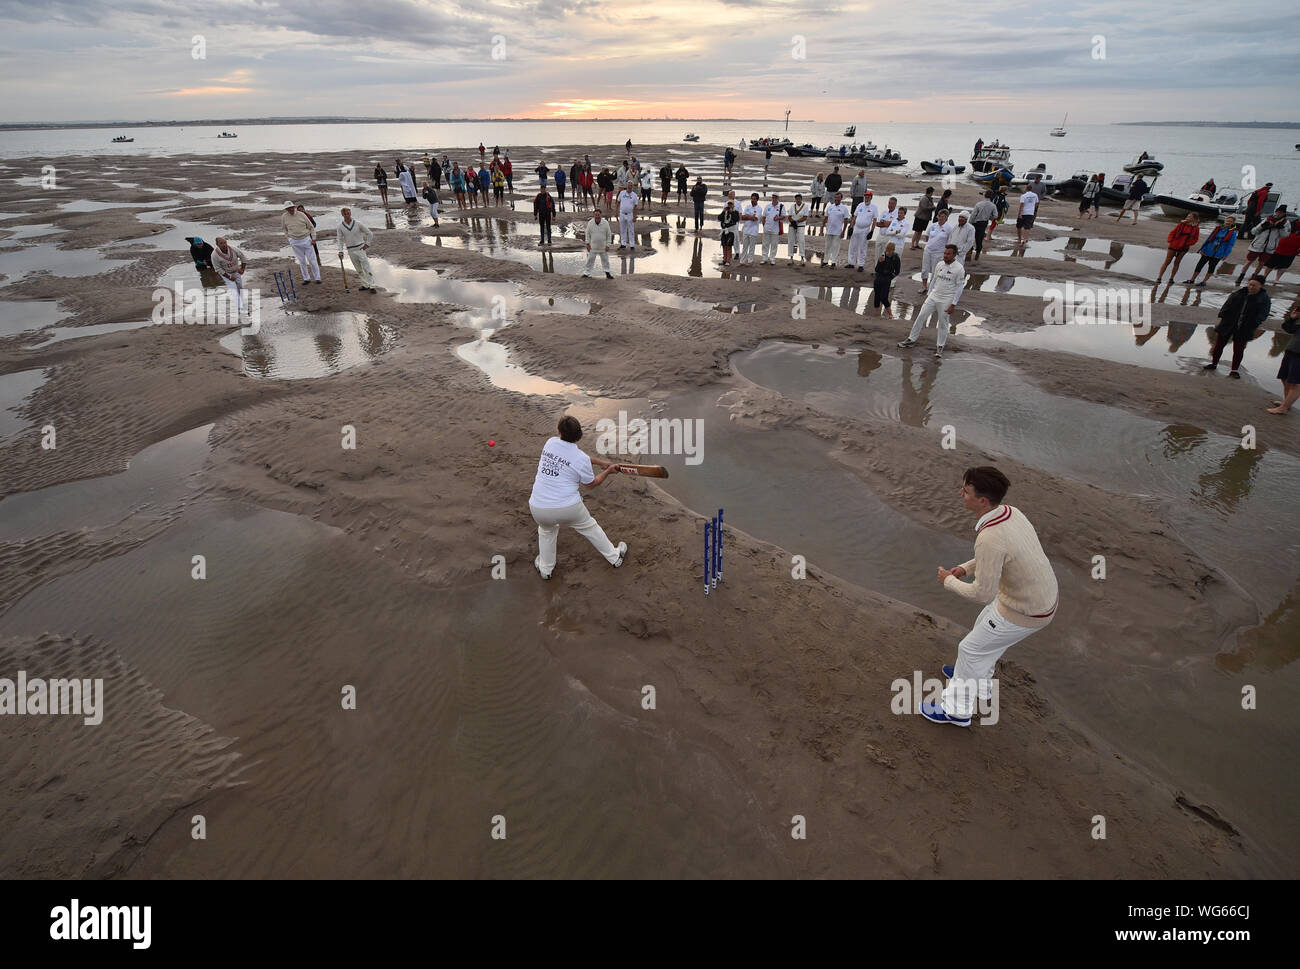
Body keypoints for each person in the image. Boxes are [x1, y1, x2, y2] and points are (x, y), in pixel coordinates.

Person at [922, 467, 1059, 726]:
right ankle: (979, 684)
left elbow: (982, 593)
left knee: (970, 648)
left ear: (983, 501)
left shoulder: (989, 537)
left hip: (1026, 611)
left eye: (965, 491)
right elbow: (1001, 555)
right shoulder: (1012, 514)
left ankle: (956, 711)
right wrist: (966, 567)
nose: (960, 493)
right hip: (1038, 597)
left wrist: (949, 581)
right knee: (984, 632)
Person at [529, 415, 627, 579]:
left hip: (538, 506)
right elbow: (591, 484)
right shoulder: (580, 459)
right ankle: (615, 557)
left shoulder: (550, 443)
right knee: (590, 527)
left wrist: (599, 462)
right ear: (579, 435)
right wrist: (608, 471)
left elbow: (573, 459)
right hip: (568, 507)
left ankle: (546, 570)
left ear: (559, 432)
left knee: (546, 531)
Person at [900, 243, 965, 357]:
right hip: (934, 296)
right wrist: (929, 294)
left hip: (947, 299)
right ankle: (911, 339)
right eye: (945, 253)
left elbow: (959, 287)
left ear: (954, 255)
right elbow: (934, 279)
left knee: (943, 323)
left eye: (948, 254)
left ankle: (940, 346)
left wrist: (953, 304)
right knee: (921, 317)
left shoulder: (959, 269)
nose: (945, 255)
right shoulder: (939, 264)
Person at [1204, 276, 1270, 378]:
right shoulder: (1239, 293)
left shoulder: (1264, 298)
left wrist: (1255, 322)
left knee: (1239, 349)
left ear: (1261, 286)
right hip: (1229, 323)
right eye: (1250, 284)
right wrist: (1223, 314)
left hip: (1246, 326)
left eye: (1254, 285)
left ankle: (1234, 370)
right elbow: (1227, 304)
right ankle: (1214, 363)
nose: (1251, 287)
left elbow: (1264, 313)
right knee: (1219, 345)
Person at [1182, 217, 1237, 286]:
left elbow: (1230, 245)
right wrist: (1202, 248)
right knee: (1199, 265)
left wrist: (1225, 254)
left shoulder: (1233, 233)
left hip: (1218, 253)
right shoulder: (1218, 228)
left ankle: (1204, 282)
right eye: (1227, 221)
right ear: (1225, 221)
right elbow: (1209, 238)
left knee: (1212, 267)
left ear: (1233, 223)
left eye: (1230, 221)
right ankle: (1192, 279)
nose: (1228, 222)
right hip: (1208, 250)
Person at [1267, 305, 1300, 414]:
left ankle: (1284, 408)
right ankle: (1287, 403)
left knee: (1295, 383)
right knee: (1284, 377)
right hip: (1291, 351)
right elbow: (1287, 328)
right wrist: (1293, 318)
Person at [1236, 213, 1286, 284]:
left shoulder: (1285, 223)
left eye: (1280, 213)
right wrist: (1262, 226)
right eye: (1277, 212)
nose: (1278, 215)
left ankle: (1254, 277)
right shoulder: (1266, 220)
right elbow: (1253, 231)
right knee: (1249, 261)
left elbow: (1284, 235)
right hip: (1257, 245)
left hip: (1269, 247)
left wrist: (1280, 228)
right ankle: (1241, 276)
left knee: (1261, 263)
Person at [336, 207, 377, 292]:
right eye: (346, 214)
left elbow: (369, 233)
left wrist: (367, 244)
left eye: (349, 213)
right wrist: (340, 251)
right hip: (350, 250)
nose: (348, 215)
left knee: (366, 268)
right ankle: (365, 285)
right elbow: (340, 239)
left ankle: (372, 286)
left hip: (360, 249)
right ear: (342, 215)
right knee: (358, 269)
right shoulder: (340, 227)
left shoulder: (358, 223)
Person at [280, 200, 320, 284]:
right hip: (294, 241)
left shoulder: (302, 214)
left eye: (291, 207)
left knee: (312, 260)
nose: (290, 209)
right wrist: (289, 238)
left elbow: (311, 227)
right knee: (301, 261)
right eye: (288, 208)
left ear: (294, 207)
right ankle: (306, 279)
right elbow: (284, 229)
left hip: (306, 239)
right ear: (286, 209)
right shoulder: (284, 216)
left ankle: (317, 278)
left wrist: (313, 239)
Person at [1155, 213, 1201, 284]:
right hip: (1174, 245)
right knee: (1167, 262)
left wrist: (1188, 244)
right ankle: (1159, 277)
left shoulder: (1196, 228)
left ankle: (1171, 278)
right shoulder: (1181, 224)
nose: (1187, 217)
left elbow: (1195, 239)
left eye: (1189, 216)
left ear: (1193, 219)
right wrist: (1170, 241)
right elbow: (1172, 233)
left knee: (1177, 263)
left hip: (1184, 248)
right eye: (1187, 216)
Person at [210, 237, 249, 316]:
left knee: (240, 287)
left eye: (225, 242)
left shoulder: (233, 249)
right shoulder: (214, 255)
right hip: (225, 273)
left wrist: (242, 269)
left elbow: (243, 257)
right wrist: (229, 277)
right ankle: (241, 308)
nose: (224, 245)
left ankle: (242, 303)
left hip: (236, 271)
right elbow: (217, 269)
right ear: (217, 244)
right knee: (233, 288)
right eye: (221, 243)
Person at [919, 210, 952, 289]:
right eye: (939, 216)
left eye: (943, 216)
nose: (941, 218)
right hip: (928, 250)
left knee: (935, 270)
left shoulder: (949, 228)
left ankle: (932, 287)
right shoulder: (933, 225)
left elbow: (950, 240)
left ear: (946, 218)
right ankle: (924, 286)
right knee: (925, 269)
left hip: (939, 253)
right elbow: (927, 236)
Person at [1261, 220, 1300, 286]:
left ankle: (1277, 279)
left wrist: (1297, 251)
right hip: (1279, 248)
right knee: (1270, 264)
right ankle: (1264, 277)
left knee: (1284, 266)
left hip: (1292, 251)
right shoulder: (1291, 223)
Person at [847, 191, 878, 271]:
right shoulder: (860, 205)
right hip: (856, 228)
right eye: (866, 196)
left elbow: (874, 220)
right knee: (852, 246)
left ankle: (861, 265)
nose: (866, 198)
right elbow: (855, 217)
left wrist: (872, 231)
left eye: (868, 196)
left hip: (865, 230)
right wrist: (851, 227)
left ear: (871, 198)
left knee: (862, 247)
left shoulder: (874, 207)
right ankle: (851, 263)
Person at [820, 192, 851, 268]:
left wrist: (844, 231)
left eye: (838, 198)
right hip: (829, 230)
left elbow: (846, 220)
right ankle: (825, 261)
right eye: (836, 197)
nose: (836, 199)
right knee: (827, 246)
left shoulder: (844, 208)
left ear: (841, 198)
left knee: (835, 247)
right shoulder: (830, 207)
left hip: (837, 232)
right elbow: (826, 218)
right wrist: (822, 227)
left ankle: (833, 262)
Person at [582, 209, 614, 278]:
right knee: (590, 260)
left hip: (603, 246)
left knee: (605, 260)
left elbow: (609, 234)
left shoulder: (605, 223)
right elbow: (587, 234)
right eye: (596, 215)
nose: (597, 216)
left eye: (598, 215)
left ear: (601, 215)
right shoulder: (590, 223)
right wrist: (587, 243)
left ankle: (607, 273)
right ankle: (587, 273)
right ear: (594, 215)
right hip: (593, 246)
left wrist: (608, 245)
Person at [872, 242, 901, 317]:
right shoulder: (883, 256)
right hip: (879, 277)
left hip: (887, 279)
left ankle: (890, 314)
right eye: (886, 250)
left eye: (889, 251)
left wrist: (890, 277)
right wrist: (880, 262)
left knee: (884, 297)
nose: (887, 252)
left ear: (893, 250)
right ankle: (876, 314)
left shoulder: (896, 258)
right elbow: (876, 269)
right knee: (877, 296)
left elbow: (897, 271)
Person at [970, 192, 996, 261]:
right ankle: (977, 254)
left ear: (984, 196)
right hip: (984, 223)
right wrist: (990, 217)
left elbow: (973, 215)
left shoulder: (978, 204)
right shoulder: (993, 205)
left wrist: (970, 223)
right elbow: (995, 216)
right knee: (979, 239)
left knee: (971, 238)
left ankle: (969, 254)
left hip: (976, 222)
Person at [760, 192, 785, 265]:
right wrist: (764, 226)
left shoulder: (781, 206)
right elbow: (764, 217)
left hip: (775, 229)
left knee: (774, 244)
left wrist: (778, 218)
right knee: (765, 244)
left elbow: (784, 216)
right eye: (773, 197)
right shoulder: (768, 206)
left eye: (775, 197)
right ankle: (764, 258)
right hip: (767, 228)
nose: (774, 199)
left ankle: (772, 259)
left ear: (778, 198)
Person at [739, 192, 763, 265]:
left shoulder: (759, 208)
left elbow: (755, 218)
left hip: (753, 230)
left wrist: (747, 216)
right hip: (746, 229)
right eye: (752, 199)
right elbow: (742, 217)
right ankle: (742, 261)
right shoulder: (747, 207)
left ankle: (750, 261)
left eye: (754, 199)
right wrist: (750, 216)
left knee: (751, 247)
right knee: (744, 247)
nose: (752, 200)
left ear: (757, 200)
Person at [787, 193, 810, 266]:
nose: (798, 200)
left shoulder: (805, 206)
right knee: (791, 241)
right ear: (795, 199)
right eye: (796, 199)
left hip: (801, 226)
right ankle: (791, 258)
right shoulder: (792, 206)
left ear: (801, 199)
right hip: (792, 226)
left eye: (799, 199)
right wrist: (792, 222)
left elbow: (805, 217)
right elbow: (789, 216)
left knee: (801, 241)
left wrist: (797, 222)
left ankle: (802, 258)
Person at [616, 181, 639, 251]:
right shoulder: (622, 193)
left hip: (630, 214)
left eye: (631, 186)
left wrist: (635, 216)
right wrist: (616, 212)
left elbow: (635, 206)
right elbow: (618, 202)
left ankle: (632, 245)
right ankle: (623, 244)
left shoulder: (634, 195)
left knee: (631, 230)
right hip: (622, 214)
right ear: (626, 186)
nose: (630, 187)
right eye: (628, 186)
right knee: (622, 229)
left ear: (632, 187)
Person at [719, 197, 740, 266]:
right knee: (724, 245)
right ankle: (724, 260)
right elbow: (719, 218)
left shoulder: (735, 212)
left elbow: (737, 219)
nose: (730, 206)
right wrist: (723, 212)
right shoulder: (725, 211)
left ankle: (728, 260)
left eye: (731, 204)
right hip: (724, 230)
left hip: (731, 231)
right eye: (729, 204)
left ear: (733, 205)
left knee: (729, 245)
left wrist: (732, 212)